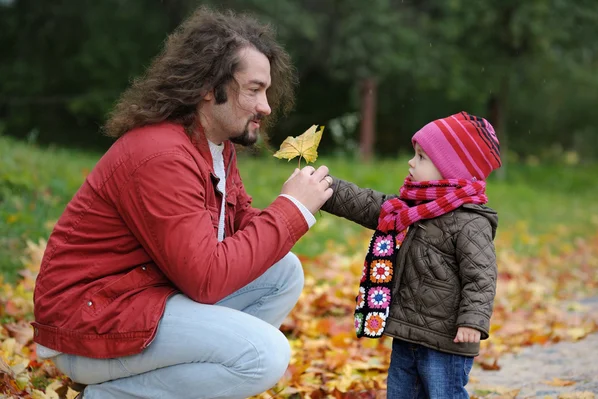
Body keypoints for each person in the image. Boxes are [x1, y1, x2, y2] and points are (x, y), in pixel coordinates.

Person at [32, 6, 334, 399]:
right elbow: (206, 280)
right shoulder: (162, 156)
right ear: (210, 87)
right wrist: (290, 211)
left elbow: (239, 227)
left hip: (140, 298)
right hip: (89, 324)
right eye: (255, 89)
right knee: (264, 355)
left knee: (283, 272)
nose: (266, 106)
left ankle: (166, 386)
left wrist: (297, 209)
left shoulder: (213, 146)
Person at [322, 112, 501, 398]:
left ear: (452, 169)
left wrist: (472, 320)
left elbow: (481, 276)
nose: (411, 162)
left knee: (443, 393)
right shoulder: (410, 207)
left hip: (446, 340)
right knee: (401, 392)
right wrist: (327, 189)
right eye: (415, 154)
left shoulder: (470, 221)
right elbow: (370, 204)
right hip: (408, 332)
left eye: (421, 157)